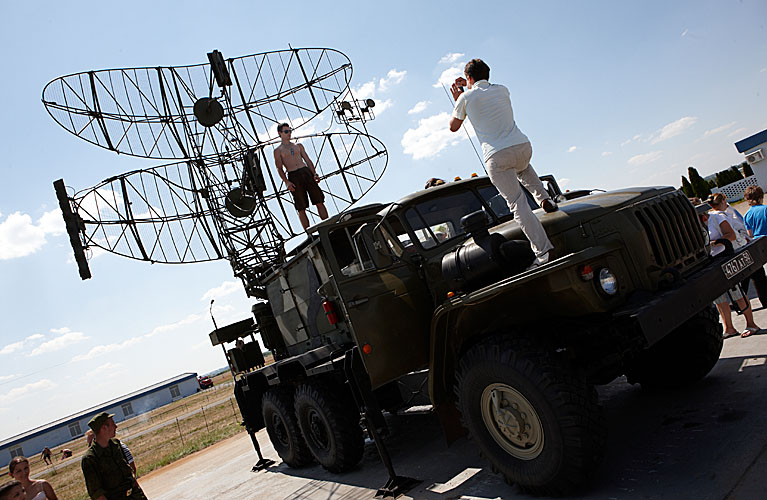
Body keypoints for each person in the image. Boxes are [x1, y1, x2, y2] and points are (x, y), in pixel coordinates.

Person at [448, 58, 556, 268]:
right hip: (523, 146)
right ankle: (545, 199)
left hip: (497, 156)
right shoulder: (503, 90)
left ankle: (544, 251)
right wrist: (469, 88)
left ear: (468, 78)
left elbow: (454, 127)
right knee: (522, 166)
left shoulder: (465, 98)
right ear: (487, 74)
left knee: (517, 204)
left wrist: (458, 99)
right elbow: (482, 96)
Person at [702, 209, 761, 338]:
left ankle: (751, 324)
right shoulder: (694, 225)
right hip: (710, 262)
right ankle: (729, 328)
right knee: (719, 298)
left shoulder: (716, 218)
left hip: (724, 258)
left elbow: (731, 235)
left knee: (737, 292)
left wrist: (715, 243)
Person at [707, 192, 767, 308]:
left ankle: (741, 304)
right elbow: (735, 232)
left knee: (746, 278)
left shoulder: (713, 216)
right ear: (723, 201)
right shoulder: (721, 216)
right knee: (756, 276)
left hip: (731, 251)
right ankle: (751, 302)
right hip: (739, 248)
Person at [273, 123, 328, 230]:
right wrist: (286, 182)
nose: (289, 133)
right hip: (293, 175)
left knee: (319, 200)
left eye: (290, 131)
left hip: (305, 172)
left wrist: (314, 173)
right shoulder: (278, 151)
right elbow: (279, 168)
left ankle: (327, 225)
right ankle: (309, 232)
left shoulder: (298, 146)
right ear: (280, 133)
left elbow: (307, 160)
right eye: (286, 131)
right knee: (301, 207)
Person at [81, 412, 147, 500]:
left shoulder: (116, 444)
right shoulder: (90, 458)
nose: (116, 427)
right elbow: (96, 493)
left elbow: (129, 472)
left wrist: (139, 493)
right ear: (104, 428)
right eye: (113, 424)